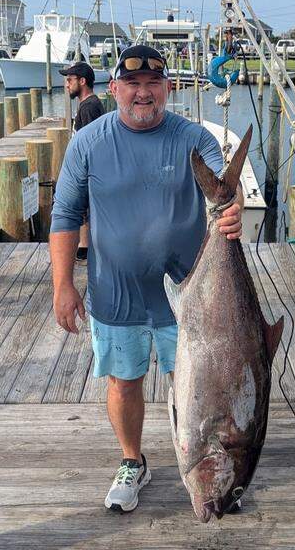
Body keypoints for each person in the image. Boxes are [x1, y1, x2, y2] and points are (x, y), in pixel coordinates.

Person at [49, 45, 244, 513]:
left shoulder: (196, 139)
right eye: (132, 85)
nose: (143, 93)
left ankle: (202, 465)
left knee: (200, 385)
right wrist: (62, 285)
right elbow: (64, 215)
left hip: (191, 296)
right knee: (122, 381)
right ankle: (133, 461)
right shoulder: (88, 142)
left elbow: (223, 190)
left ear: (167, 88)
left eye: (153, 84)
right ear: (114, 89)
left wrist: (231, 211)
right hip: (116, 292)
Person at [59, 62, 105, 263]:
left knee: (81, 208)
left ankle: (84, 248)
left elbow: (90, 144)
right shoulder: (89, 105)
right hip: (85, 171)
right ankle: (83, 247)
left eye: (70, 80)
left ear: (82, 81)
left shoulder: (89, 108)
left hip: (87, 171)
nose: (67, 85)